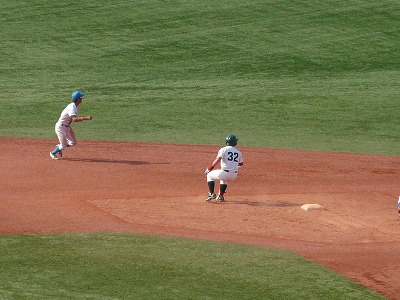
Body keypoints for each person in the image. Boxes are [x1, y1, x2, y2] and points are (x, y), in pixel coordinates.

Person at [49, 91, 92, 160]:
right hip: (61, 127)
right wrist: (85, 118)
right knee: (63, 146)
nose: (82, 99)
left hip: (67, 127)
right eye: (81, 98)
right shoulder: (72, 107)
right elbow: (74, 119)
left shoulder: (75, 106)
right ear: (78, 99)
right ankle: (52, 153)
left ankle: (60, 146)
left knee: (73, 142)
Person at [204, 134, 243, 202]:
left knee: (209, 175)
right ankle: (220, 196)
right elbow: (241, 164)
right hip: (233, 176)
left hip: (224, 173)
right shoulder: (238, 152)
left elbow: (218, 159)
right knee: (223, 178)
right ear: (234, 142)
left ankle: (212, 194)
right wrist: (233, 166)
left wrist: (210, 168)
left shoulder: (223, 149)